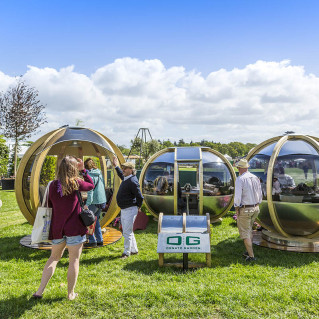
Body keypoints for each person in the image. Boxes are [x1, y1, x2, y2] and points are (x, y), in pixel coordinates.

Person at [33, 156, 94, 300]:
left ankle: (39, 292)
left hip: (57, 229)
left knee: (53, 258)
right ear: (74, 169)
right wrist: (83, 170)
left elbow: (48, 205)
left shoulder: (51, 185)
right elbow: (91, 185)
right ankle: (70, 294)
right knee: (74, 260)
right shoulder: (77, 183)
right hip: (75, 229)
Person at [112, 157, 143, 259]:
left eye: (125, 168)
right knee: (128, 231)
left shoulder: (133, 181)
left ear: (131, 170)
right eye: (123, 168)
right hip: (125, 209)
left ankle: (126, 253)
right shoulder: (127, 178)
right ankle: (134, 250)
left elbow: (140, 197)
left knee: (127, 232)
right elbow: (121, 175)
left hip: (130, 209)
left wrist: (138, 206)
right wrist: (116, 166)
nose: (123, 169)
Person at [234, 158, 262, 262]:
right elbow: (260, 194)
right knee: (249, 229)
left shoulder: (240, 179)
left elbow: (237, 197)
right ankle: (248, 250)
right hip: (255, 207)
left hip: (246, 209)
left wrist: (236, 208)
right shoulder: (255, 178)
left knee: (245, 233)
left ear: (239, 168)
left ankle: (251, 256)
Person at [83, 158, 107, 248]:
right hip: (102, 200)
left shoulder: (89, 175)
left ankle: (92, 241)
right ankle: (100, 240)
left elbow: (90, 191)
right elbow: (103, 185)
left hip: (94, 201)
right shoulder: (99, 173)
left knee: (89, 221)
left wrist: (87, 204)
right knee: (96, 221)